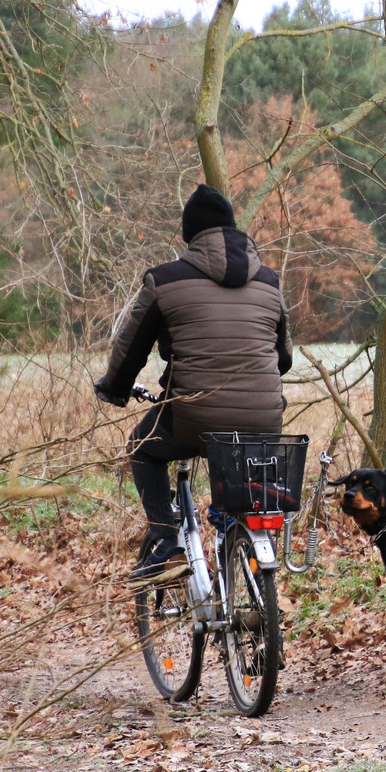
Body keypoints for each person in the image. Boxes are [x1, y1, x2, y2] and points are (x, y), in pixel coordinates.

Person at [95, 183, 294, 584]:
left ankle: (168, 545)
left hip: (193, 417)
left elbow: (129, 349)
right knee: (239, 477)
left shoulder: (165, 280)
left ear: (191, 236)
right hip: (264, 421)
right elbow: (283, 358)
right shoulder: (269, 282)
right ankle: (244, 569)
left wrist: (114, 387)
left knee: (143, 445)